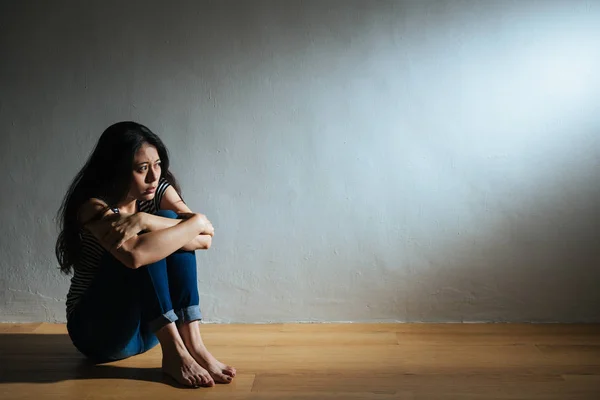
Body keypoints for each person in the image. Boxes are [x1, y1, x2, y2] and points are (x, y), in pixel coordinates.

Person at [55, 121, 236, 388]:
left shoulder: (157, 190)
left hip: (151, 329)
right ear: (116, 169)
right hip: (99, 333)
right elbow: (134, 257)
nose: (153, 176)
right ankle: (175, 353)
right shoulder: (94, 206)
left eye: (158, 164)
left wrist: (144, 220)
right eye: (142, 169)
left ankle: (194, 347)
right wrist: (194, 222)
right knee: (155, 237)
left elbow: (204, 237)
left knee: (167, 224)